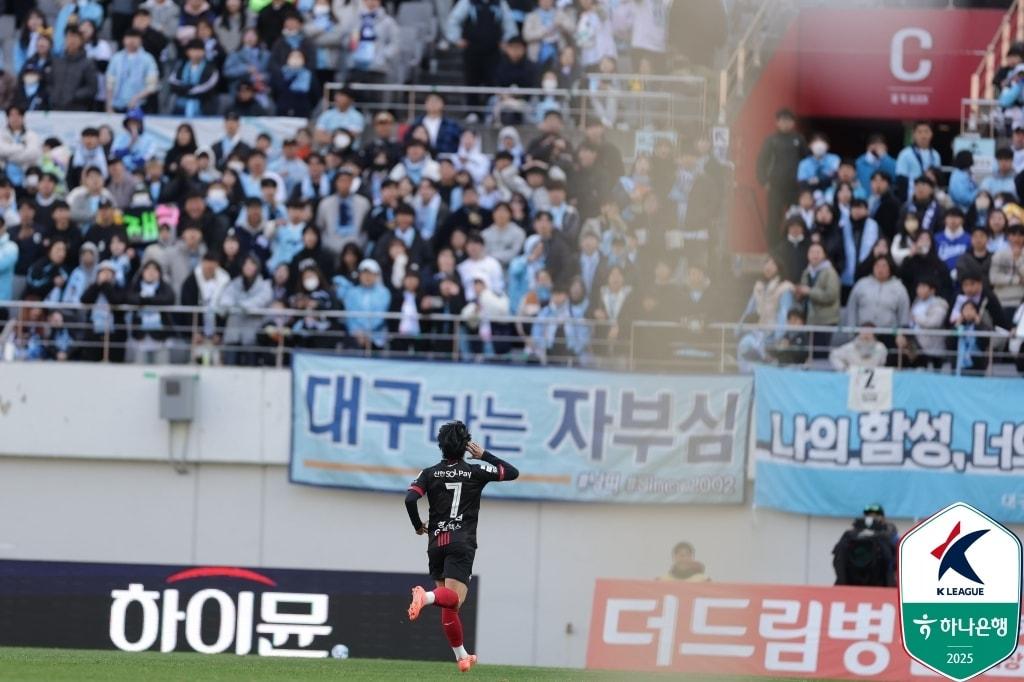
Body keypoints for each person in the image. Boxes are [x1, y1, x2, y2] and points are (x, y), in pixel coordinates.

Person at [406, 422, 520, 673]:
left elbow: (410, 498)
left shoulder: (429, 473)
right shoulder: (475, 471)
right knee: (454, 599)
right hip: (461, 541)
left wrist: (417, 526)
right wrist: (484, 455)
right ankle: (424, 597)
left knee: (448, 604)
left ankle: (462, 656)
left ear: (441, 446)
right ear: (465, 445)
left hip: (436, 542)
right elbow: (512, 472)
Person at [833, 504, 898, 587]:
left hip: (882, 583)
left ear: (883, 518)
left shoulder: (889, 534)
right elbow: (838, 558)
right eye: (869, 515)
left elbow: (895, 558)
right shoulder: (851, 535)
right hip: (852, 580)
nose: (872, 518)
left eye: (876, 516)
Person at [895, 121, 942, 201]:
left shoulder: (935, 155)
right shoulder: (905, 154)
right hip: (911, 198)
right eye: (919, 132)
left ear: (931, 134)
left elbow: (938, 179)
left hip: (931, 198)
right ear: (914, 135)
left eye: (926, 132)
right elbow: (901, 180)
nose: (923, 136)